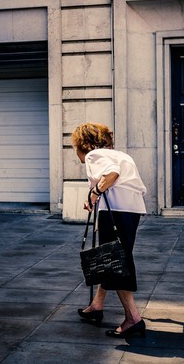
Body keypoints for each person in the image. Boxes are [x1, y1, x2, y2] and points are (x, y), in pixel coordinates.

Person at [71, 122, 147, 338]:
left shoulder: (94, 156)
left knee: (115, 262)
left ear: (83, 144)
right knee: (112, 258)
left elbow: (111, 175)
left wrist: (93, 193)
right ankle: (97, 304)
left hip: (115, 210)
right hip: (130, 210)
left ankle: (133, 318)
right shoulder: (120, 155)